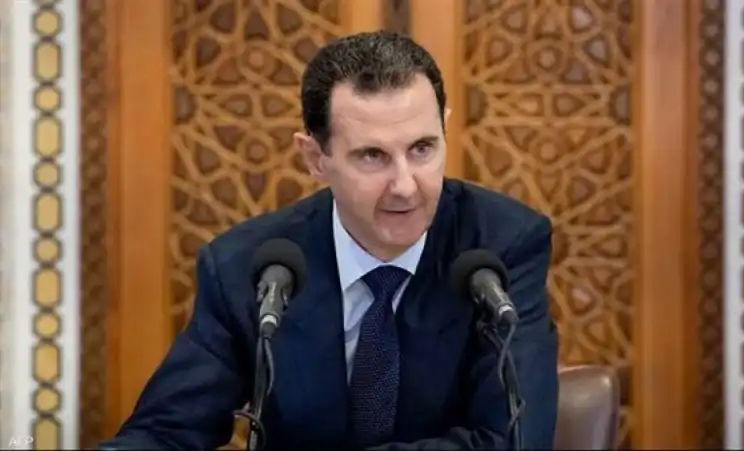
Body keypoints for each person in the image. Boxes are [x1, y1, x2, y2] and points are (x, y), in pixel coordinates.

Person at [98, 31, 558, 450]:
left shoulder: (502, 247)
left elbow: (515, 439)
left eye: (422, 149)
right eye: (372, 156)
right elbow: (166, 430)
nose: (405, 185)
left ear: (445, 129)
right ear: (315, 158)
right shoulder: (250, 266)